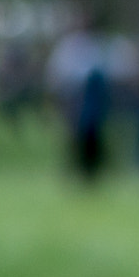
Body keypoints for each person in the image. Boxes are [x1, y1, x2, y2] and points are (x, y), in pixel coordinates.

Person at [47, 16, 113, 182]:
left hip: (92, 94)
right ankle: (77, 169)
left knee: (92, 133)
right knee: (75, 134)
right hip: (75, 95)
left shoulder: (95, 44)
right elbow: (57, 73)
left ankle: (92, 170)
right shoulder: (68, 45)